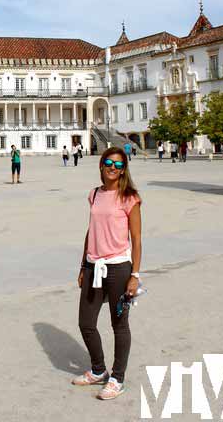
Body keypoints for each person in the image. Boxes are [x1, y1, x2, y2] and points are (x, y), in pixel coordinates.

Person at [73, 146, 142, 401]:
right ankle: (98, 369)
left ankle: (117, 378)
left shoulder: (130, 197)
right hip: (93, 267)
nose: (113, 168)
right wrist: (83, 265)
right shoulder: (94, 194)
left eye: (119, 165)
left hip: (118, 269)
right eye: (109, 163)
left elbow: (136, 238)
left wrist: (135, 275)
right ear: (101, 165)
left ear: (124, 169)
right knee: (86, 323)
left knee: (119, 324)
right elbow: (90, 231)